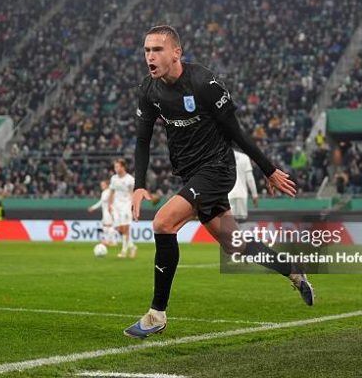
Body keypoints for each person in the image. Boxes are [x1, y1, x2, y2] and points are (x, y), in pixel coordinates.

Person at [124, 26, 313, 339]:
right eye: (146, 50)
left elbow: (236, 132)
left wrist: (268, 170)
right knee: (233, 244)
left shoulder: (203, 83)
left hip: (217, 168)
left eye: (157, 50)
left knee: (163, 223)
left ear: (176, 53)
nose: (150, 57)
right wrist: (139, 184)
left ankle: (156, 314)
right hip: (191, 174)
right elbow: (142, 140)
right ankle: (291, 269)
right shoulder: (149, 90)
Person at [109, 159, 137, 258]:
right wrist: (109, 205)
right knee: (119, 229)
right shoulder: (113, 179)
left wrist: (133, 206)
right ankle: (132, 246)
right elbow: (112, 192)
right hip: (116, 205)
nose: (115, 169)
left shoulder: (130, 179)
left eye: (117, 167)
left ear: (123, 167)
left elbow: (133, 193)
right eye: (115, 167)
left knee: (125, 228)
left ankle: (124, 251)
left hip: (126, 205)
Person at [228, 149, 258, 221]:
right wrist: (254, 195)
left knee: (229, 222)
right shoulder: (244, 157)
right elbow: (250, 179)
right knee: (242, 222)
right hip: (241, 194)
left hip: (227, 195)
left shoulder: (222, 157)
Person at [88, 180, 118, 247]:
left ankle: (110, 241)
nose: (101, 186)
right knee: (105, 227)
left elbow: (106, 202)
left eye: (103, 185)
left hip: (109, 211)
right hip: (105, 212)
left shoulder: (110, 192)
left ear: (107, 185)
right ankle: (112, 241)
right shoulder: (104, 192)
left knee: (109, 226)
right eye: (101, 185)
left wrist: (93, 208)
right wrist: (93, 207)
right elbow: (101, 202)